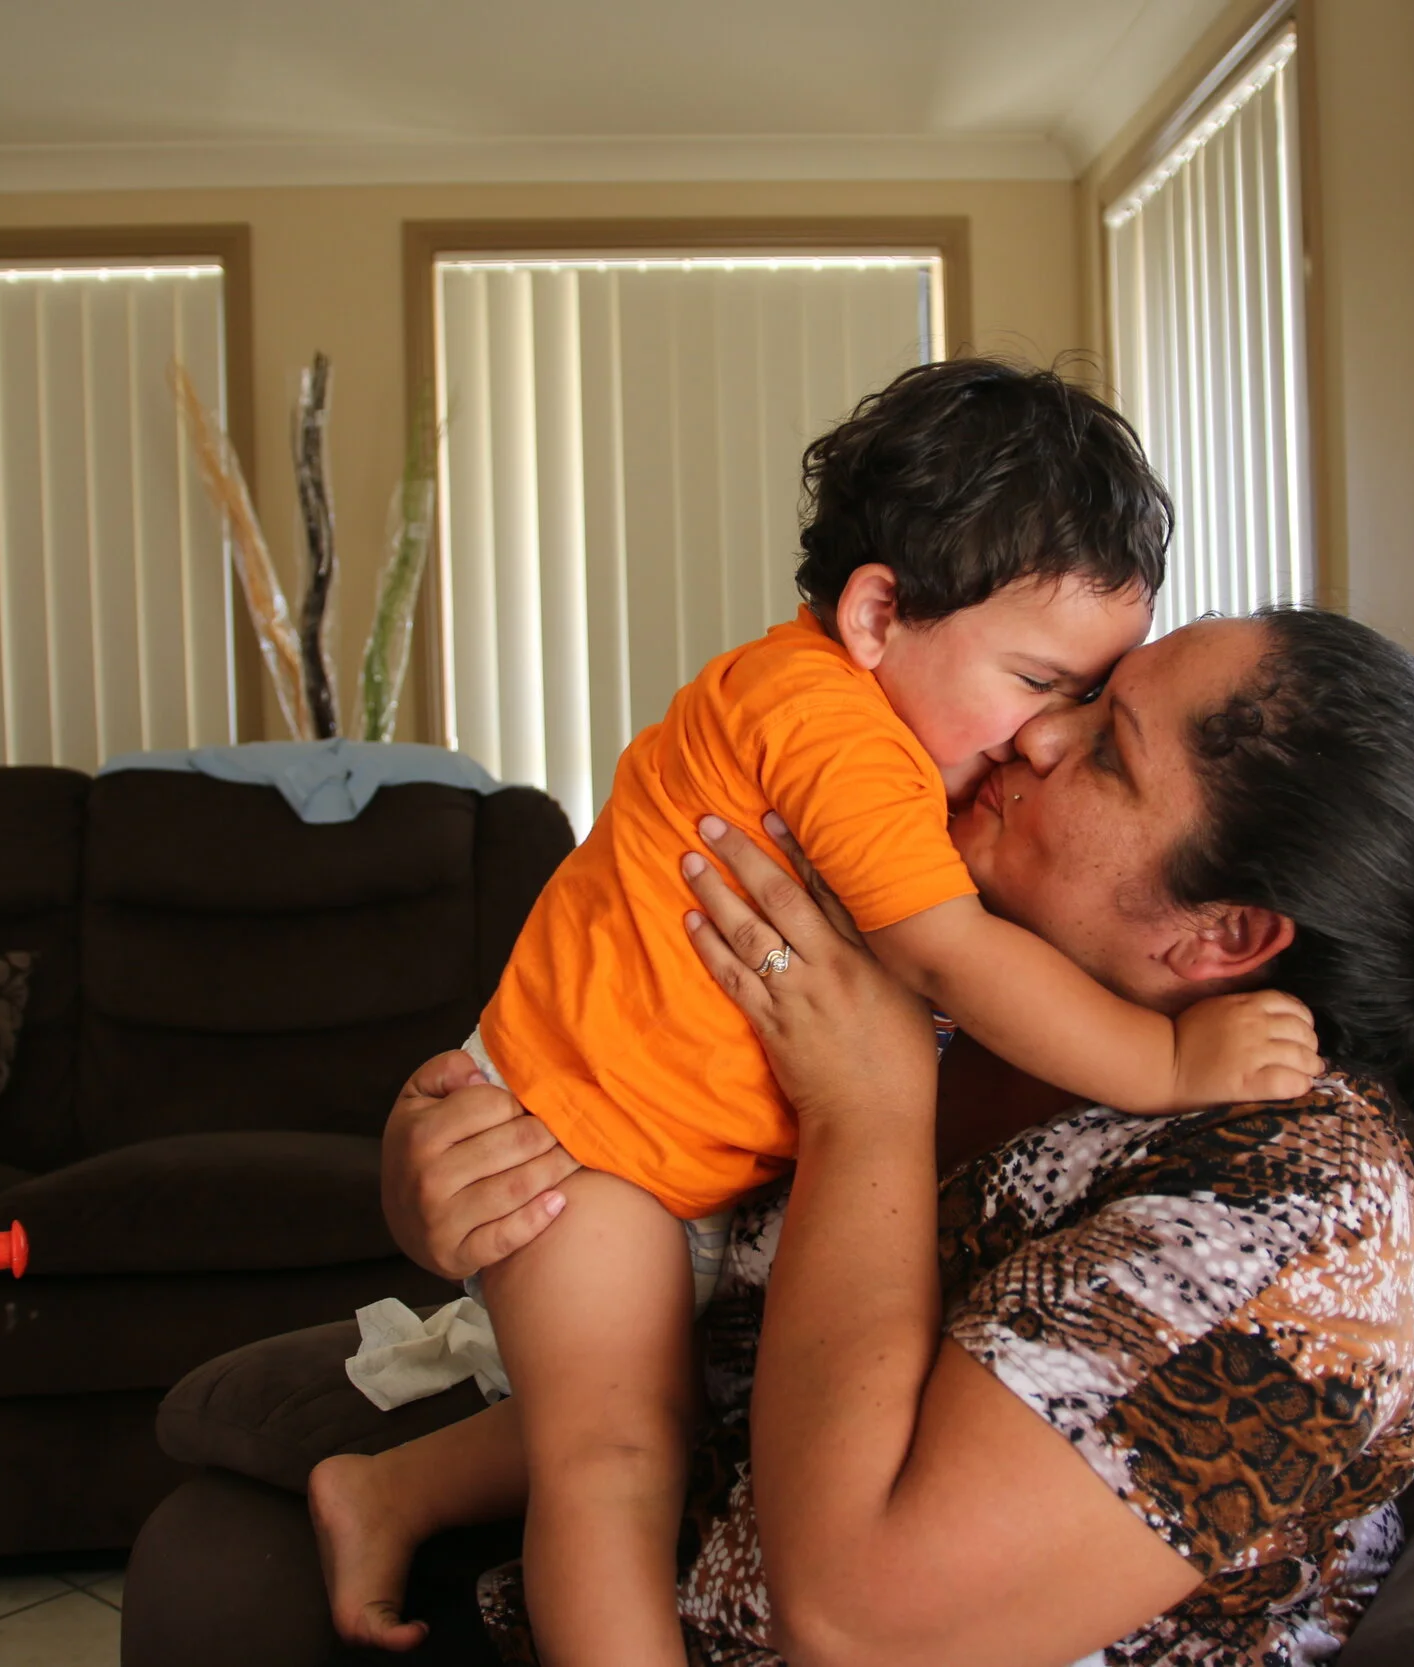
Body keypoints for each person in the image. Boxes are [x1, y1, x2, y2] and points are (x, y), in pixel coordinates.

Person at [312, 360, 1324, 1662]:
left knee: (664, 1409)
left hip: (656, 1160)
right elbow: (951, 956)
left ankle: (385, 1484)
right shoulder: (832, 730)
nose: (1040, 738)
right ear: (878, 610)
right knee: (616, 1453)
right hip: (588, 1149)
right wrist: (1175, 1056)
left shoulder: (892, 734)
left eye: (1093, 710)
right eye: (1039, 683)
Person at [370, 606, 1414, 1664]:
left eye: (1109, 752)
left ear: (1224, 935)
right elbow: (651, 1200)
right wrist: (455, 1168)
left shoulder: (1291, 1239)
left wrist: (867, 1107)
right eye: (1080, 690)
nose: (1034, 729)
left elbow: (855, 1619)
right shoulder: (976, 975)